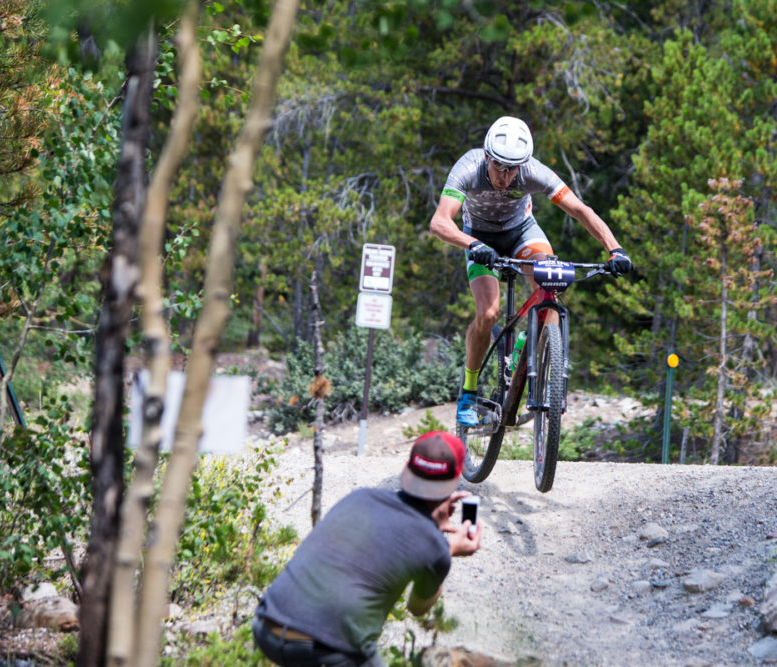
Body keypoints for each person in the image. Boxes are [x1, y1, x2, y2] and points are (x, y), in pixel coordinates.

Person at [429, 115, 633, 426]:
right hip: (480, 237)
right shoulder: (469, 167)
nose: (507, 176)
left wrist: (614, 248)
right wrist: (471, 244)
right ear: (487, 157)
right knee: (488, 314)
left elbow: (580, 209)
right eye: (499, 167)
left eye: (514, 168)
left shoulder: (532, 172)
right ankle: (469, 391)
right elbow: (439, 222)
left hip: (522, 231)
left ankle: (538, 356)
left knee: (551, 282)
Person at [252, 431, 482, 666]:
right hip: (329, 649)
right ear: (453, 483)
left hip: (267, 625)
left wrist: (432, 526)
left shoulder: (361, 497)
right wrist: (448, 549)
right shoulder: (435, 545)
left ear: (408, 469)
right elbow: (417, 607)